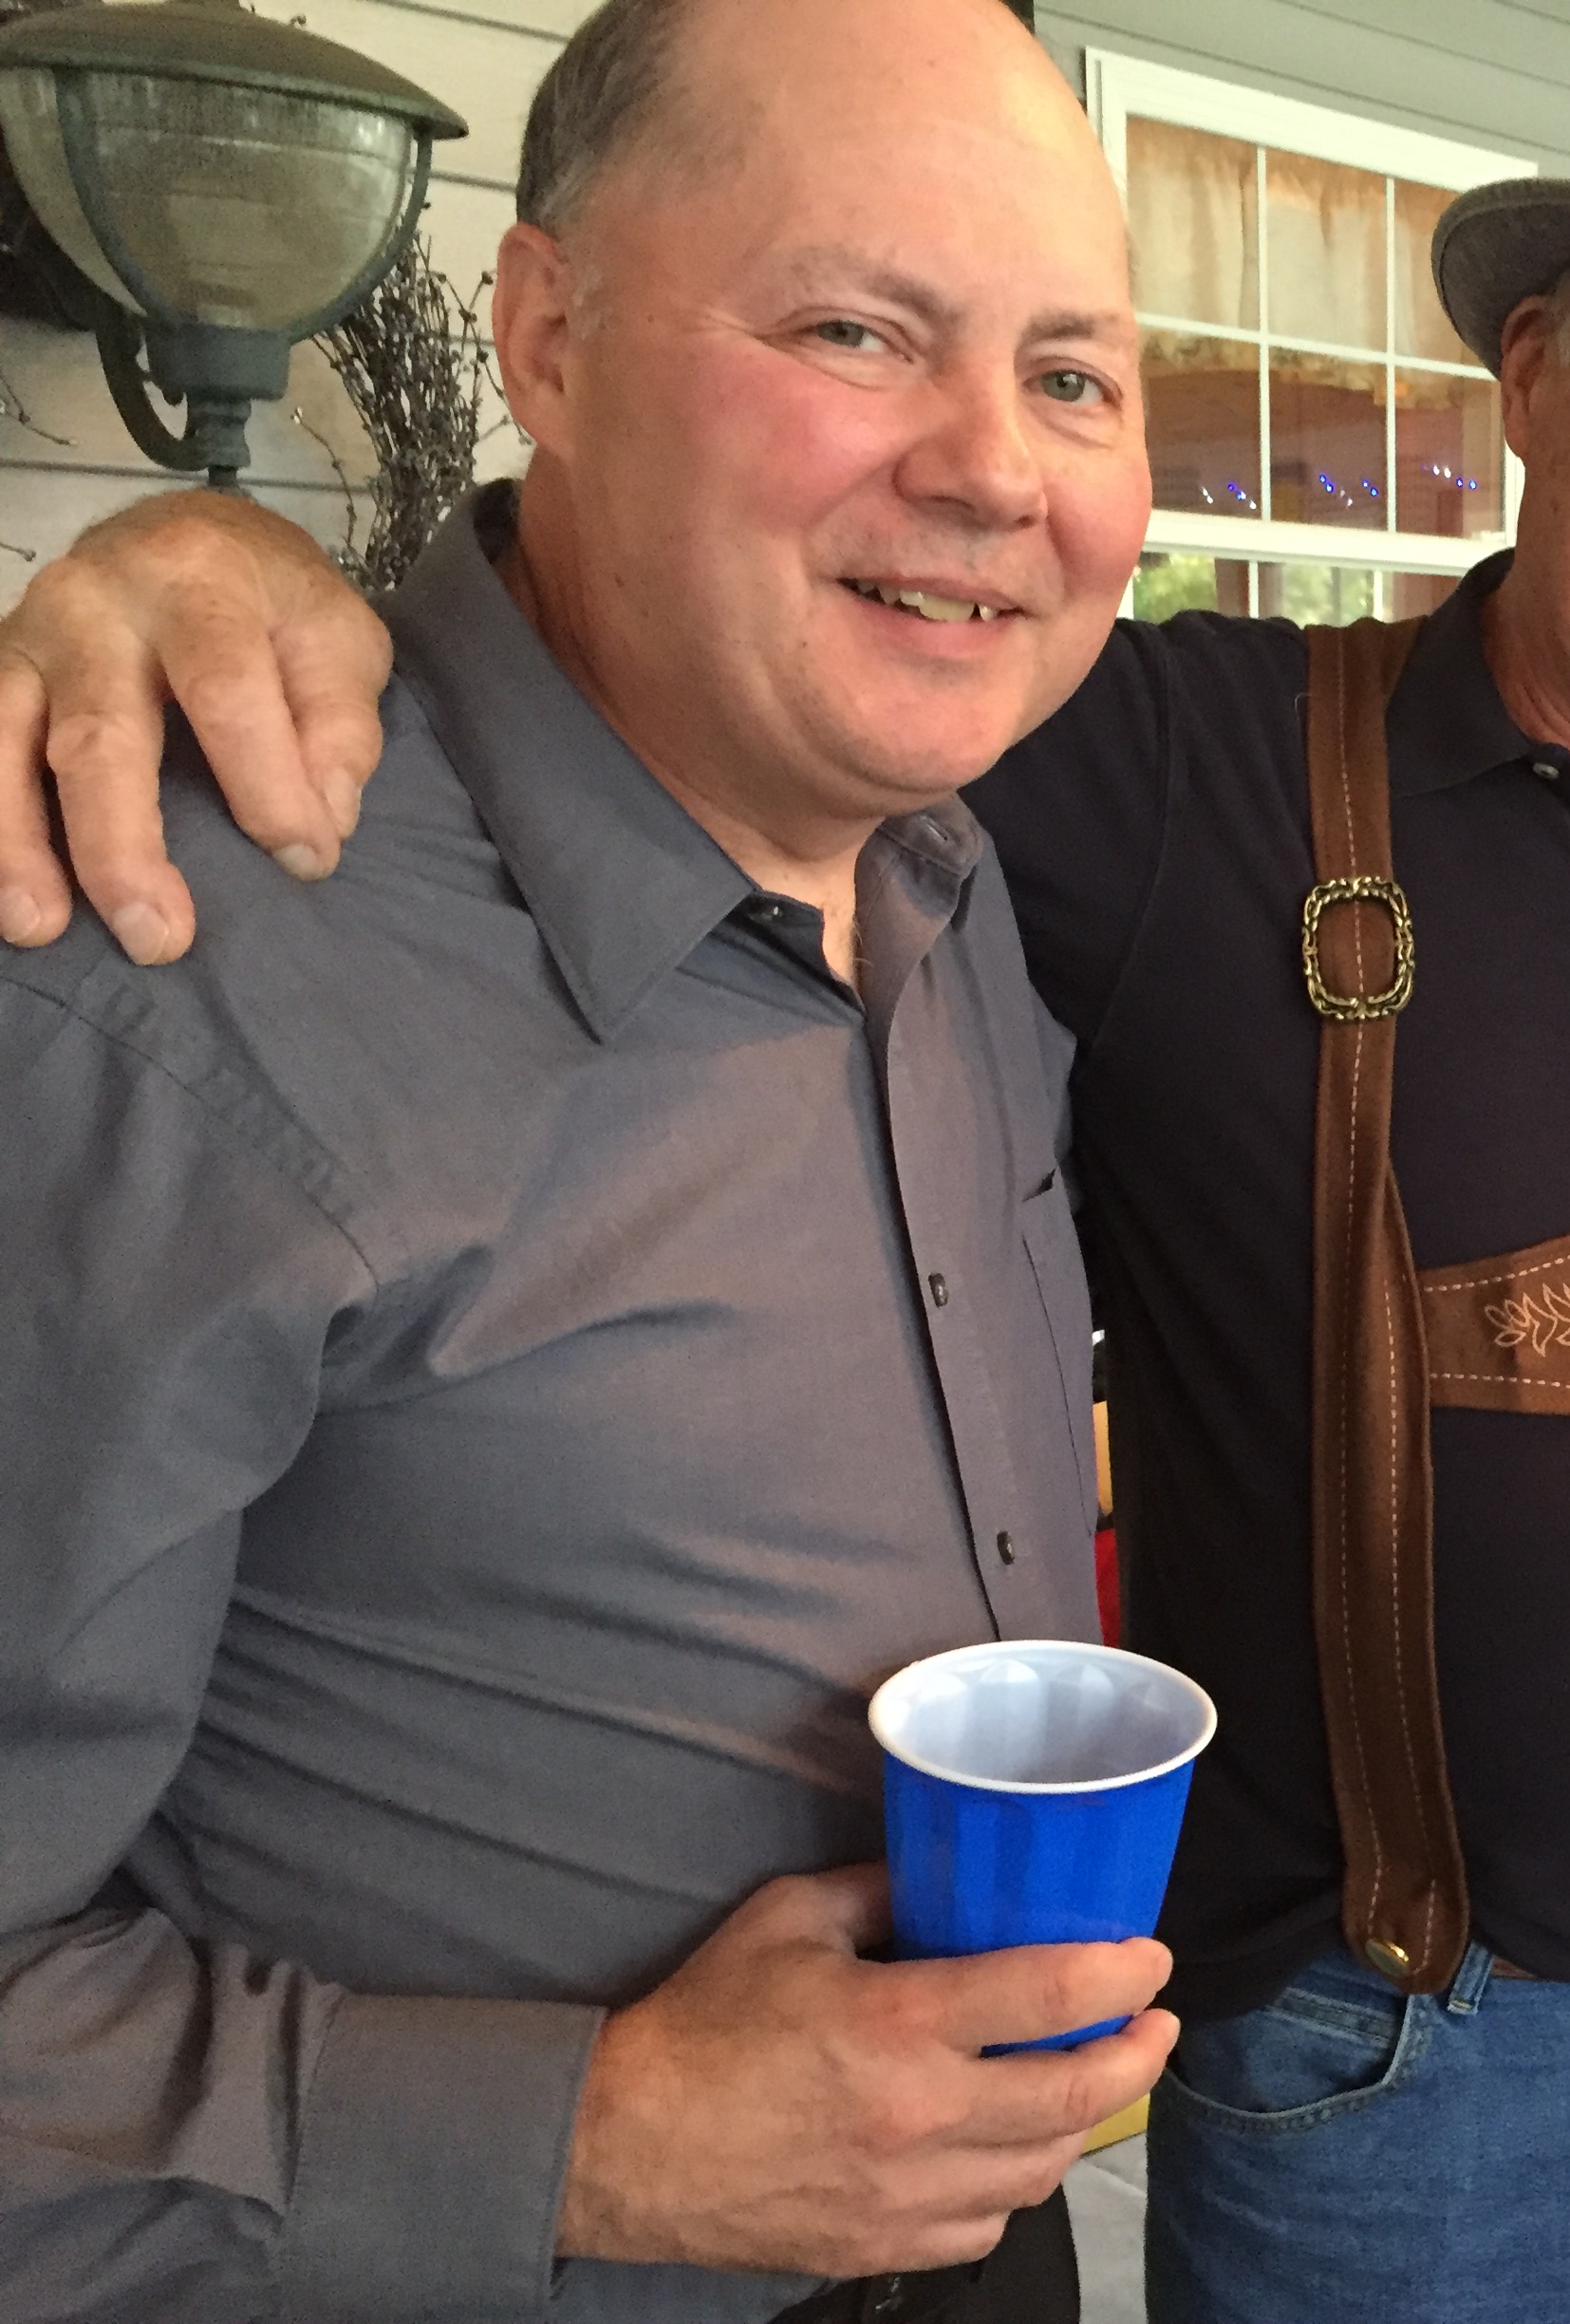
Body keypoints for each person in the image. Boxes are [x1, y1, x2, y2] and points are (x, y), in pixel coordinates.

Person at [0, 30, 1570, 2322]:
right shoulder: (1156, 762)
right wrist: (185, 553)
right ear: (1532, 373)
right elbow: (712, 664)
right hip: (1384, 2060)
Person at [0, 5, 1180, 2319]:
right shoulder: (150, 971)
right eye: (858, 328)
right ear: (549, 331)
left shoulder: (954, 861)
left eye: (1070, 376)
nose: (991, 471)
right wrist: (600, 2133)